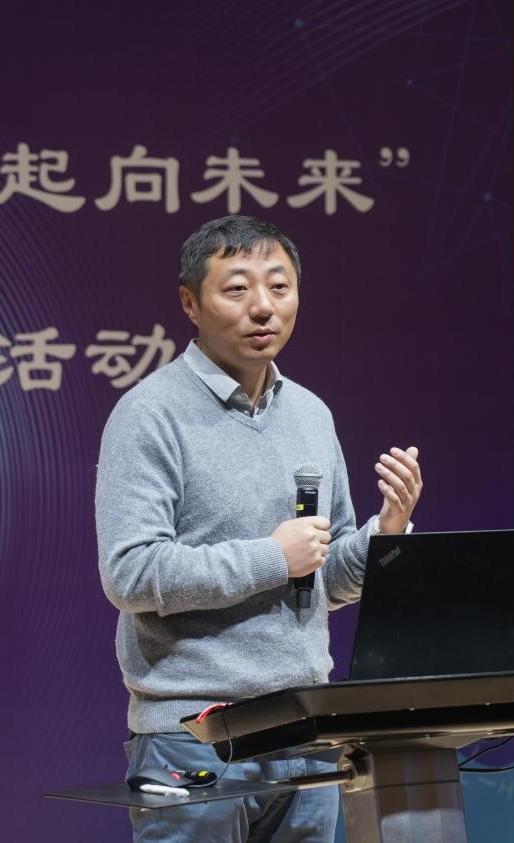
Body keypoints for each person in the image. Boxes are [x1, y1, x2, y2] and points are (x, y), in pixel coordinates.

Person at [94, 214, 423, 841]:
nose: (263, 307)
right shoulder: (149, 414)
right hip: (195, 735)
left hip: (306, 727)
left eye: (279, 286)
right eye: (237, 288)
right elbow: (130, 573)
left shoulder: (310, 413)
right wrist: (272, 557)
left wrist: (384, 534)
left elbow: (322, 581)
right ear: (190, 303)